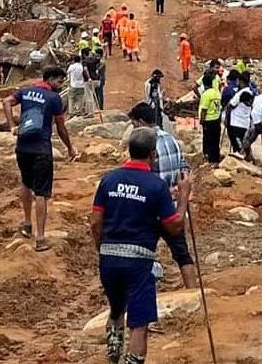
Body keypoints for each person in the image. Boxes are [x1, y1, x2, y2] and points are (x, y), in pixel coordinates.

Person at [91, 127, 192, 364]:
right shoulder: (155, 186)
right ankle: (133, 360)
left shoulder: (108, 180)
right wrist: (184, 194)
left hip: (109, 258)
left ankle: (114, 346)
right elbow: (175, 226)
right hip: (138, 261)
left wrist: (102, 249)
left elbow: (95, 222)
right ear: (152, 154)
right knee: (139, 321)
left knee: (117, 306)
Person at [3, 67, 76, 251]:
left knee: (26, 184)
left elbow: (6, 101)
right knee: (42, 192)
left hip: (22, 147)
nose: (61, 85)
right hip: (41, 149)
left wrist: (12, 126)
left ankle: (27, 223)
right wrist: (70, 148)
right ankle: (41, 238)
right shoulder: (53, 98)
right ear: (50, 79)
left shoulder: (26, 91)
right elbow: (60, 127)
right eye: (60, 81)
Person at [128, 103, 196, 288]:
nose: (133, 128)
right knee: (182, 253)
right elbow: (184, 167)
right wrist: (182, 188)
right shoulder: (171, 139)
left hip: (149, 207)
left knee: (142, 251)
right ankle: (192, 291)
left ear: (141, 122)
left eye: (134, 124)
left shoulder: (145, 145)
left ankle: (145, 289)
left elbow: (142, 176)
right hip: (171, 207)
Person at [198, 75, 222, 164]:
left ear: (204, 84)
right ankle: (216, 158)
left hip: (208, 120)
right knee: (216, 140)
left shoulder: (206, 94)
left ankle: (209, 159)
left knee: (208, 140)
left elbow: (204, 109)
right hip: (216, 118)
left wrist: (202, 120)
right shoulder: (217, 93)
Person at [227, 73, 253, 153]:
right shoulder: (250, 91)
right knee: (244, 143)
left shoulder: (240, 93)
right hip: (245, 122)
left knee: (237, 146)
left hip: (236, 122)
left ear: (241, 81)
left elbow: (230, 105)